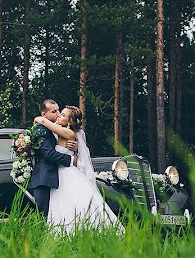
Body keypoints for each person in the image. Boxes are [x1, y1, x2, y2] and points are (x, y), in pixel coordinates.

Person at [33, 106, 124, 235]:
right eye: (58, 113)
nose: (59, 115)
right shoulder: (61, 132)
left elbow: (45, 123)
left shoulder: (68, 133)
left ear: (70, 122)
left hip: (67, 174)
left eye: (63, 115)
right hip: (60, 174)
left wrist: (39, 118)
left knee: (74, 203)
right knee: (64, 205)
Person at [29, 99, 77, 218]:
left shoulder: (53, 129)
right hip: (44, 178)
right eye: (54, 111)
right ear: (44, 114)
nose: (58, 114)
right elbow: (48, 153)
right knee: (45, 215)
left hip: (54, 177)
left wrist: (75, 148)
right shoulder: (41, 129)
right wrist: (71, 159)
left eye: (59, 111)